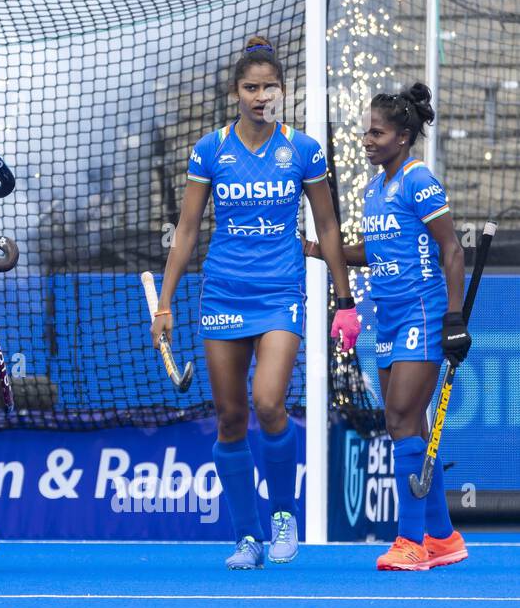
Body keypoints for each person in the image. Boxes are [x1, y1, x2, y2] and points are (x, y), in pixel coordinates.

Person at [152, 35, 358, 570]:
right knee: (229, 418)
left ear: (283, 92)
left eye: (269, 87)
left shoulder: (304, 149)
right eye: (251, 87)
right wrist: (165, 304)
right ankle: (248, 537)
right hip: (222, 292)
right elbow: (189, 229)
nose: (260, 95)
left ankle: (284, 514)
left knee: (269, 403)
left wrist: (344, 298)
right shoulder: (210, 149)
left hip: (281, 294)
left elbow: (329, 226)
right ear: (236, 92)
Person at [305, 84, 470, 571]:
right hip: (387, 317)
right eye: (365, 130)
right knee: (410, 425)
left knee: (400, 420)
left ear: (402, 136)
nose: (366, 138)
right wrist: (320, 250)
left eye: (377, 132)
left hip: (422, 311)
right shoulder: (374, 189)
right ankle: (442, 537)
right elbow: (372, 254)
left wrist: (454, 318)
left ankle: (410, 542)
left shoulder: (419, 181)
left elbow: (453, 250)